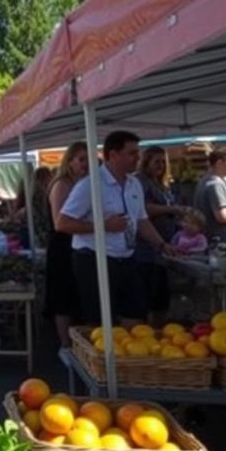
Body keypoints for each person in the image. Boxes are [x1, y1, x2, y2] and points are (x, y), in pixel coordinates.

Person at [60, 131, 179, 328]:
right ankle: (102, 358)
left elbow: (141, 220)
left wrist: (161, 244)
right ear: (113, 155)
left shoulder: (134, 184)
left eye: (137, 153)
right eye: (131, 153)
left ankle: (128, 356)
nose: (137, 158)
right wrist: (103, 226)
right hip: (94, 259)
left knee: (135, 313)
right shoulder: (90, 185)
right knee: (99, 321)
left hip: (127, 258)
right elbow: (63, 223)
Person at [135, 146, 185, 326]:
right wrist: (172, 209)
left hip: (163, 249)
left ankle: (158, 327)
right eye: (157, 161)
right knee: (150, 298)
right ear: (146, 161)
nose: (161, 166)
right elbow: (142, 210)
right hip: (146, 251)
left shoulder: (161, 183)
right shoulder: (139, 181)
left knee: (161, 297)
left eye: (164, 162)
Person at [46, 142, 89, 347]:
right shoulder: (62, 185)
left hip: (79, 245)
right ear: (69, 161)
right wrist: (95, 226)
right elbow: (59, 223)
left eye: (89, 159)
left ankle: (78, 343)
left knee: (77, 295)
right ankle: (65, 346)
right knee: (63, 297)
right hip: (63, 246)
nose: (86, 164)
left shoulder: (85, 183)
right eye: (81, 159)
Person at [193, 146, 226, 244]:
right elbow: (222, 216)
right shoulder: (215, 184)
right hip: (221, 242)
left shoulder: (205, 180)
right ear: (219, 163)